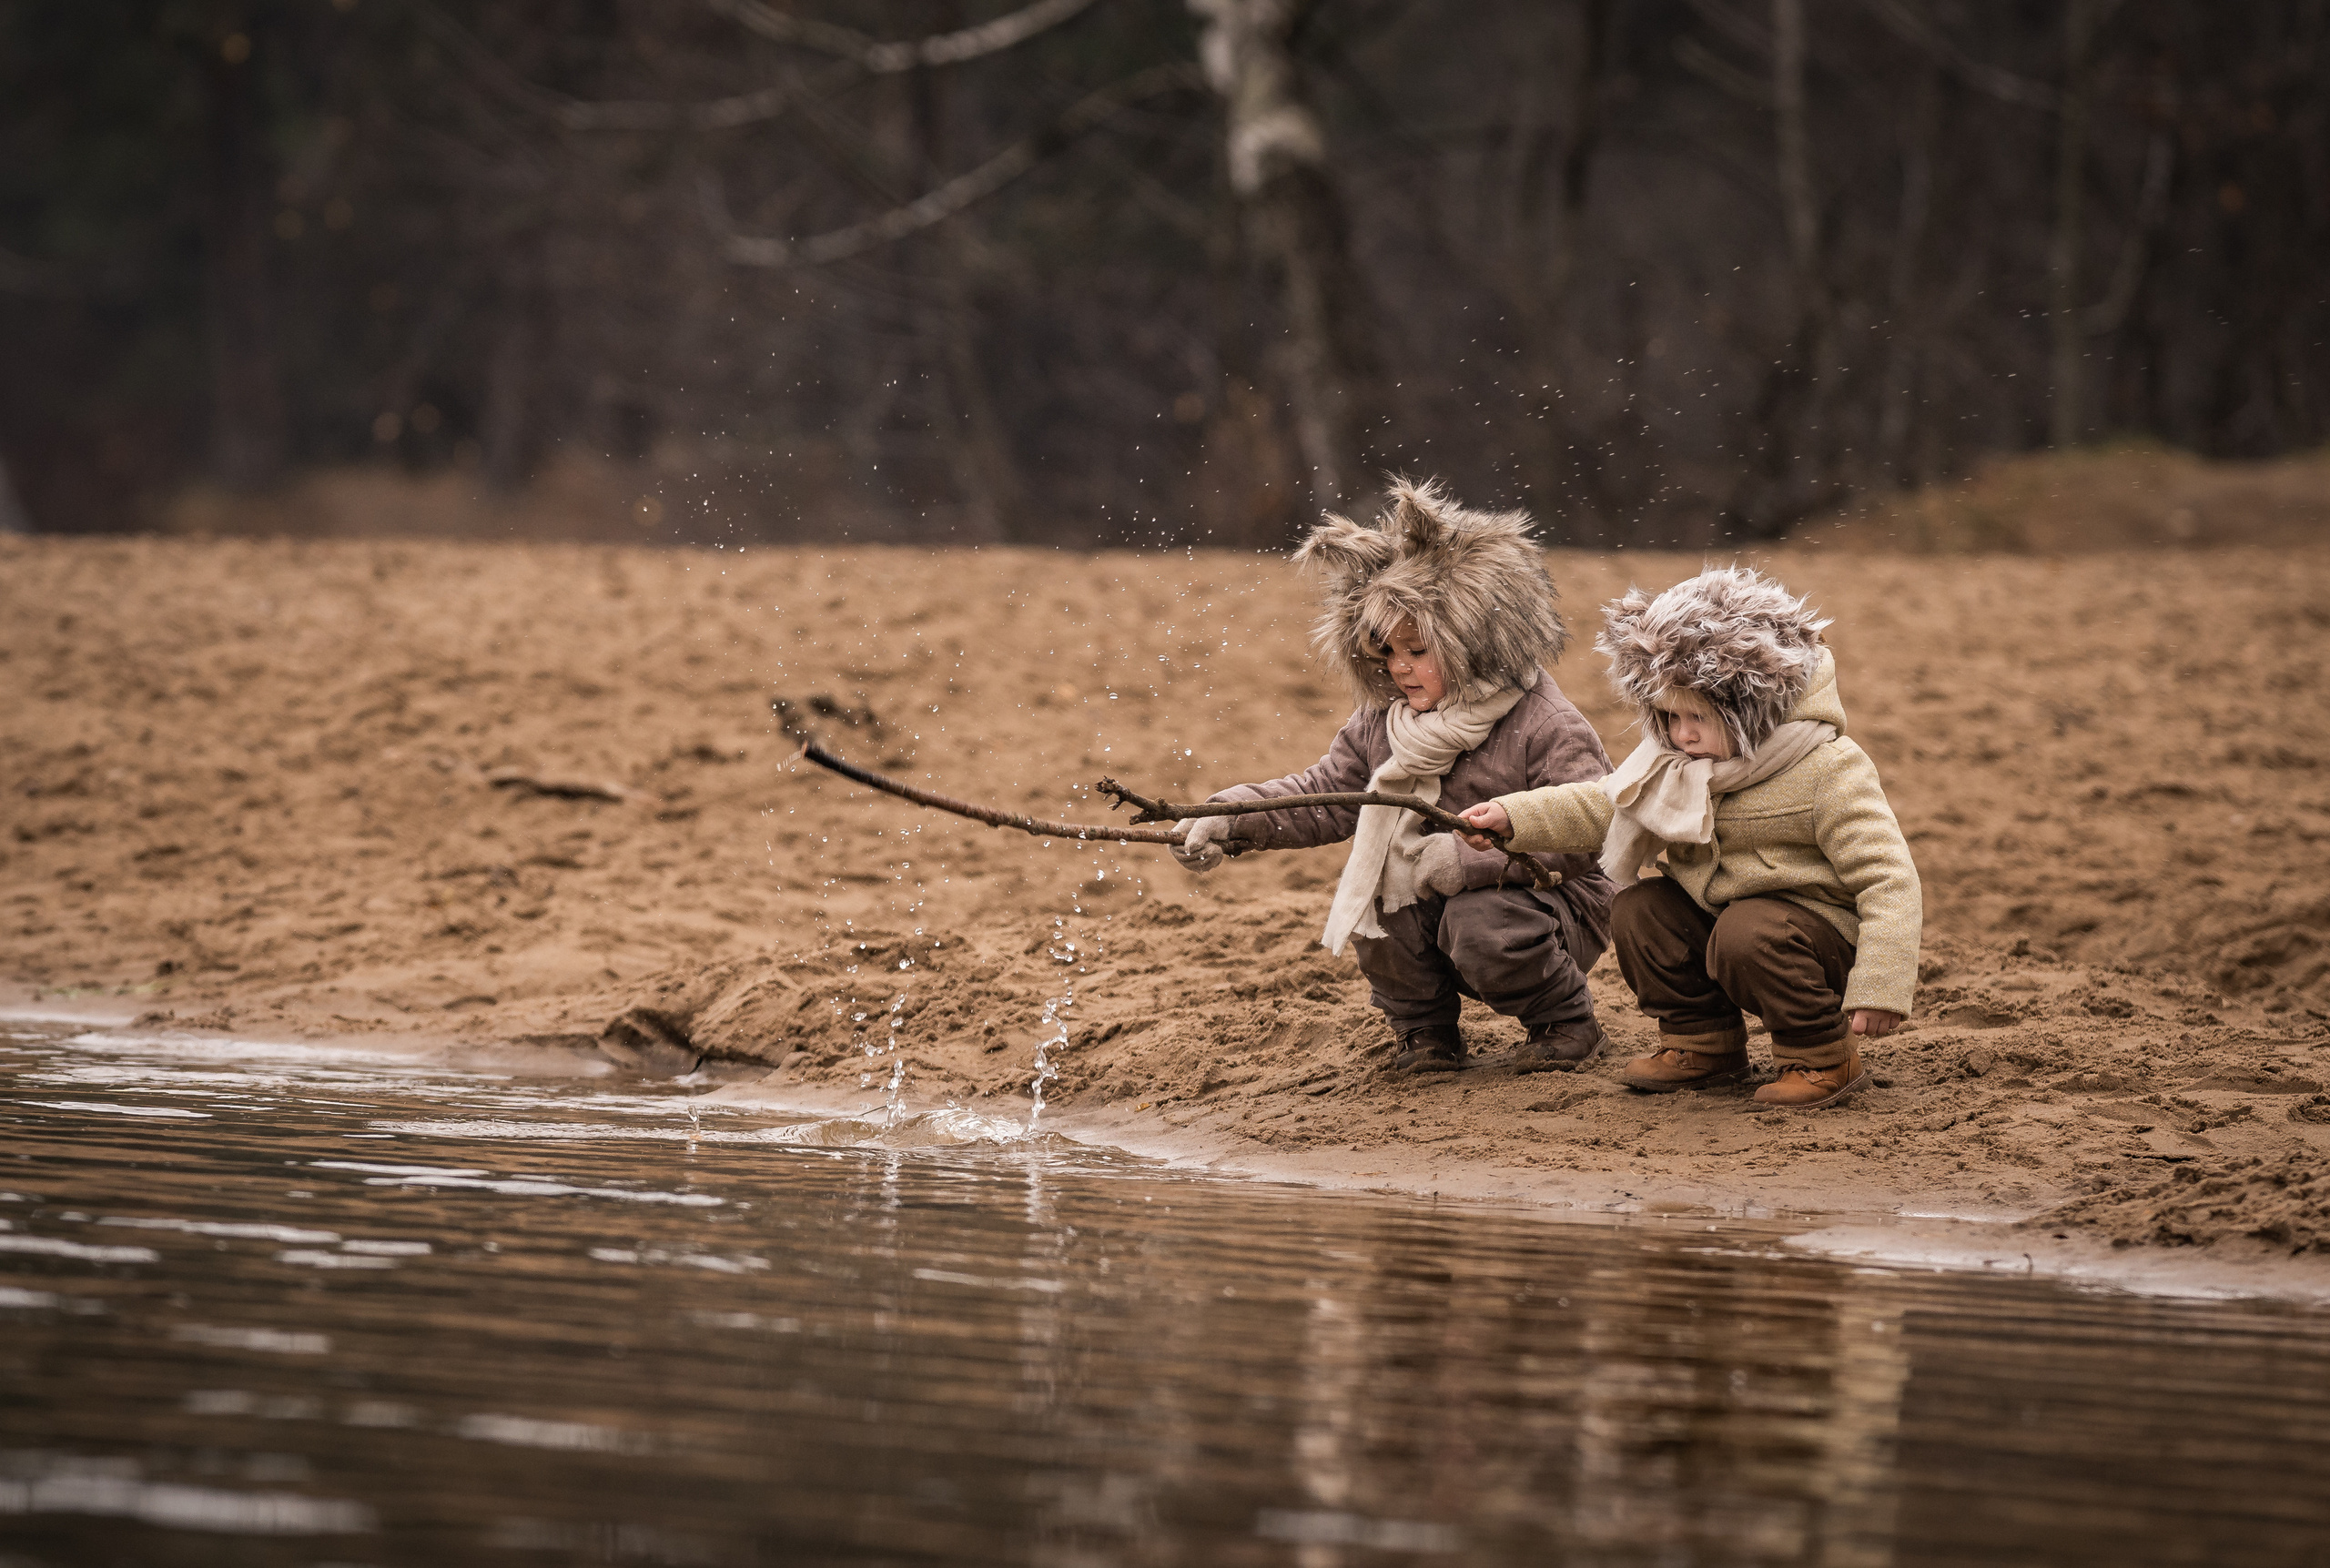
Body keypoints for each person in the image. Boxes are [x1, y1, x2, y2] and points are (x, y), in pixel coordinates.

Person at [1173, 478, 1615, 1075]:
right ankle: (1426, 1031)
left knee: (1481, 923)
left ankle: (1564, 1020)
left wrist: (1469, 862)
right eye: (1386, 652)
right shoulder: (1384, 719)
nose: (1399, 669)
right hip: (1437, 896)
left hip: (1553, 903)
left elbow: (1590, 833)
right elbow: (1324, 795)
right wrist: (1228, 817)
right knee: (1377, 899)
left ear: (1472, 641)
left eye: (1418, 651)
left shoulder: (1545, 723)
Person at [1454, 566, 1920, 1109]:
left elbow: (1888, 879)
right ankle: (1702, 1043)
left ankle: (1821, 1055)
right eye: (1669, 715)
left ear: (1752, 705)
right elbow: (1604, 805)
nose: (1681, 733)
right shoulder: (1675, 762)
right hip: (1728, 926)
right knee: (1642, 910)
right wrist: (1512, 817)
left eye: (1698, 716)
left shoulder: (1829, 769)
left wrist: (1881, 986)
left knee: (1750, 931)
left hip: (1818, 944)